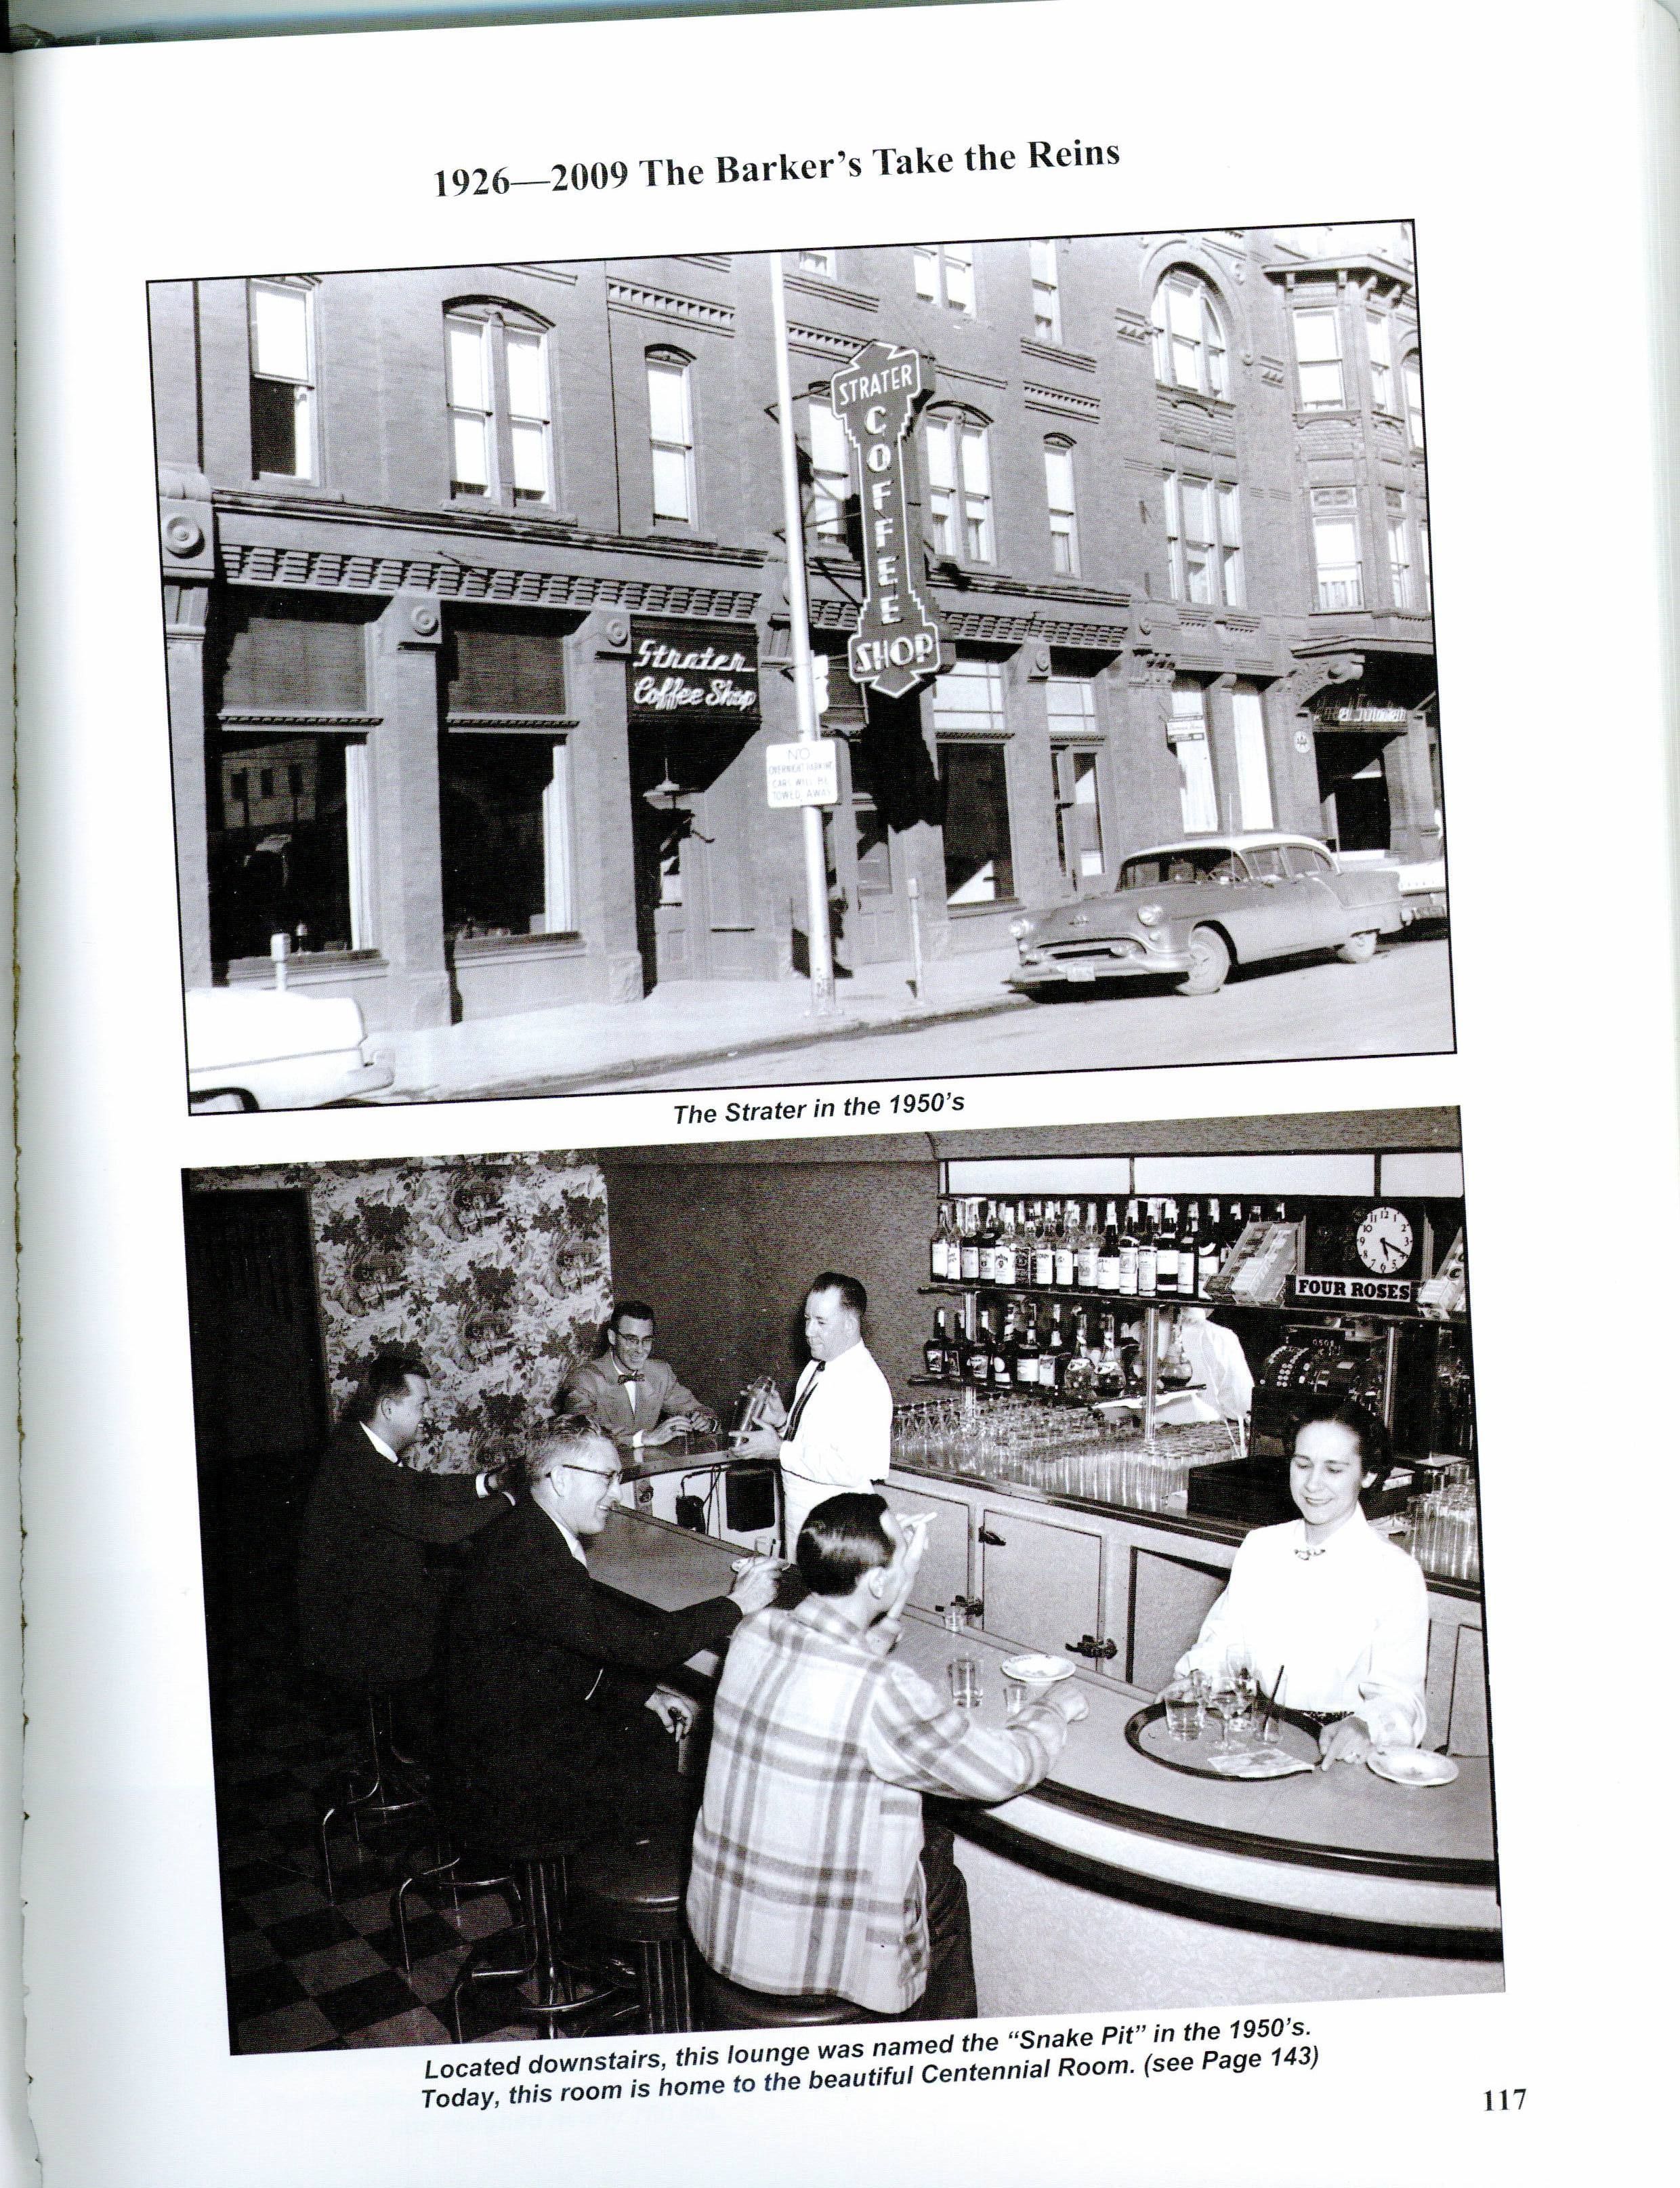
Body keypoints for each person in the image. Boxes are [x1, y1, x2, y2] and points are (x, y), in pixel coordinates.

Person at [688, 1492, 1087, 2019]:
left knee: (933, 1859)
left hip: (725, 1934)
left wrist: (899, 1578)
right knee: (940, 1882)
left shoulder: (755, 1630)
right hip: (804, 1969)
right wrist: (1052, 1712)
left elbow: (850, 1646)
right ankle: (939, 2075)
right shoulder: (883, 1689)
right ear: (875, 1581)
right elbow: (1003, 1770)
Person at [442, 1418, 779, 1854]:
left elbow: (561, 1648)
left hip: (496, 1741)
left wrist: (639, 1693)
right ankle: (631, 1890)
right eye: (607, 1479)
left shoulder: (526, 1529)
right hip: (509, 1778)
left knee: (654, 1730)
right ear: (561, 1479)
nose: (616, 1494)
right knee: (699, 1788)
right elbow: (649, 1644)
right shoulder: (537, 1558)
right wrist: (739, 1604)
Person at [1173, 1399, 1428, 1766]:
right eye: (1302, 1464)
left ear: (1368, 1474)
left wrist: (1366, 1726)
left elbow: (1401, 1696)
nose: (1313, 1484)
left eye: (1335, 1470)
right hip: (1253, 1733)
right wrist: (1195, 1678)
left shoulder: (1395, 1573)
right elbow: (1224, 1643)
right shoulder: (1262, 1546)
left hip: (1339, 1750)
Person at [295, 1348, 514, 1708]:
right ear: (388, 1408)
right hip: (360, 1622)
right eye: (422, 1404)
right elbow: (443, 1528)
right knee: (484, 1614)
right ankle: (434, 1731)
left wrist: (488, 1483)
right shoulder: (360, 1465)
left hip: (369, 1594)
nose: (427, 1415)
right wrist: (510, 1498)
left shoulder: (360, 1447)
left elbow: (425, 1487)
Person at [729, 1273, 892, 1552]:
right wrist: (782, 1423)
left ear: (851, 1325)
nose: (808, 1331)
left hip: (839, 1532)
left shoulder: (867, 1383)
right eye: (807, 1320)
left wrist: (779, 1450)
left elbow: (854, 1468)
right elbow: (811, 1440)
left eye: (821, 1322)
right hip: (802, 1519)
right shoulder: (817, 1367)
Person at [560, 1300, 713, 1457]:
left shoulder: (660, 1373)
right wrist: (643, 1438)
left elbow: (696, 1409)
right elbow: (584, 1430)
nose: (640, 1350)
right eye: (631, 1340)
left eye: (646, 1340)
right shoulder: (583, 1379)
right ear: (613, 1337)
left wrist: (705, 1422)